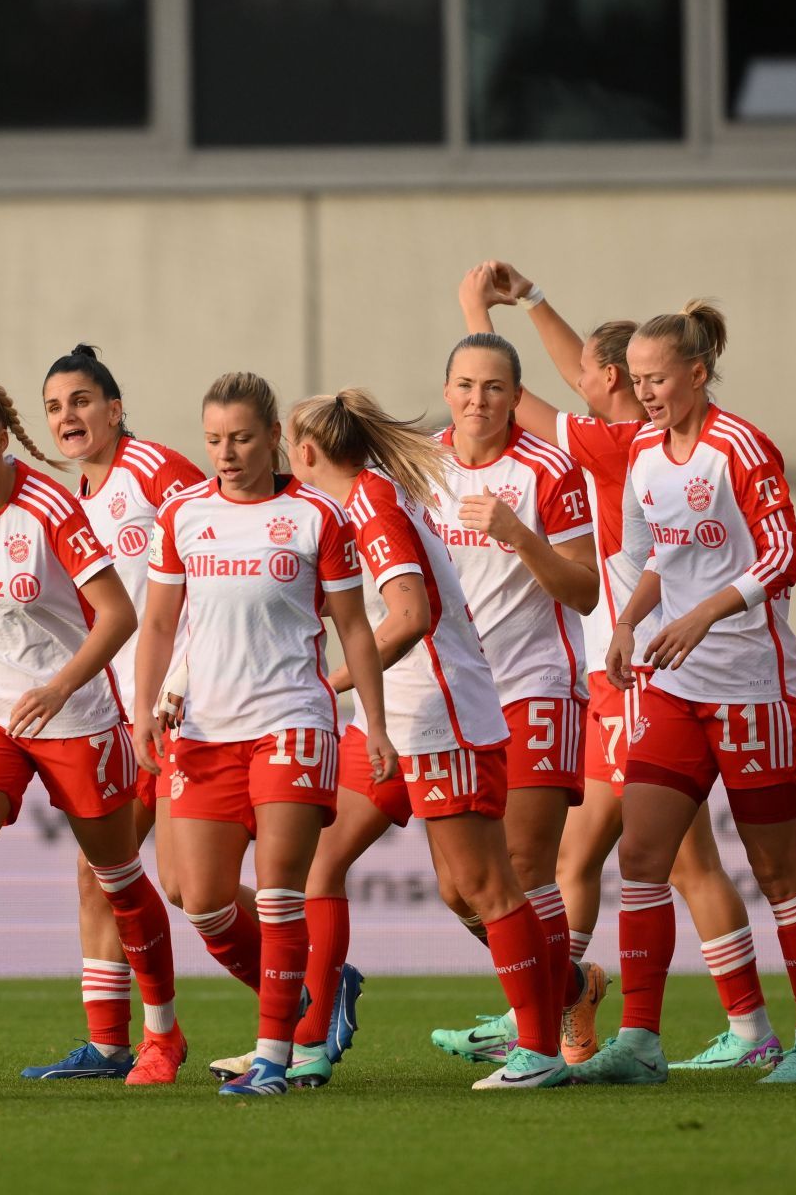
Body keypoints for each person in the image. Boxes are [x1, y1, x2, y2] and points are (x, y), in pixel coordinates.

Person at [454, 262, 784, 1072]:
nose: (584, 380)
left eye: (594, 374)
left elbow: (508, 390)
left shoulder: (611, 446)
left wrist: (478, 308)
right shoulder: (629, 441)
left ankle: (729, 1028)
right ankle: (557, 1000)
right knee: (586, 860)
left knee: (667, 859)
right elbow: (546, 377)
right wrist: (530, 299)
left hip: (643, 674)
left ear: (612, 383)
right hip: (626, 672)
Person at [581, 300, 796, 1086]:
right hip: (674, 686)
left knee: (778, 871)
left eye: (659, 379)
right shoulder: (648, 457)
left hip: (751, 688)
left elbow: (786, 552)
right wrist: (629, 620)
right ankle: (640, 1041)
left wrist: (702, 614)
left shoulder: (741, 445)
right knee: (642, 855)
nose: (647, 392)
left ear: (698, 373)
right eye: (639, 381)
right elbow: (660, 551)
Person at [285, 387, 572, 1090]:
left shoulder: (372, 504)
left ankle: (539, 1049)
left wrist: (335, 679)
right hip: (396, 714)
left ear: (308, 451)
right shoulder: (360, 498)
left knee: (479, 883)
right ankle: (306, 1043)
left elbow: (413, 613)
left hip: (440, 710)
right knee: (320, 862)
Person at [0, 362, 185, 1089]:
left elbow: (120, 615)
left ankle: (162, 1034)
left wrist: (62, 685)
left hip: (78, 717)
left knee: (118, 880)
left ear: (2, 438)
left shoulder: (51, 508)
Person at [132, 371, 392, 1096]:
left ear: (275, 436)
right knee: (203, 898)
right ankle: (307, 995)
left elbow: (356, 629)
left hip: (291, 722)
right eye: (214, 439)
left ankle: (274, 1056)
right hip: (205, 730)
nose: (225, 452)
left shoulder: (315, 516)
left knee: (280, 895)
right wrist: (143, 707)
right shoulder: (183, 514)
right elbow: (157, 623)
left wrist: (373, 723)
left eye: (241, 437)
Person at [0, 343, 225, 1081]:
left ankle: (314, 976)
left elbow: (222, 556)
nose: (69, 417)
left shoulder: (155, 471)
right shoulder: (69, 503)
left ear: (115, 408)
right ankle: (111, 1043)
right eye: (55, 407)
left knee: (190, 888)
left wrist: (180, 679)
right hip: (123, 719)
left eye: (82, 401)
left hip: (184, 709)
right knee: (103, 872)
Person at [421, 331, 604, 1066]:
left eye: (494, 387)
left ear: (514, 396)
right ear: (446, 392)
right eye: (465, 385)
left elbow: (587, 590)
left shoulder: (548, 469)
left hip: (536, 685)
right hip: (453, 696)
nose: (478, 400)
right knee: (459, 888)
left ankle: (540, 1041)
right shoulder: (421, 465)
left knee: (524, 868)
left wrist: (521, 537)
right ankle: (568, 992)